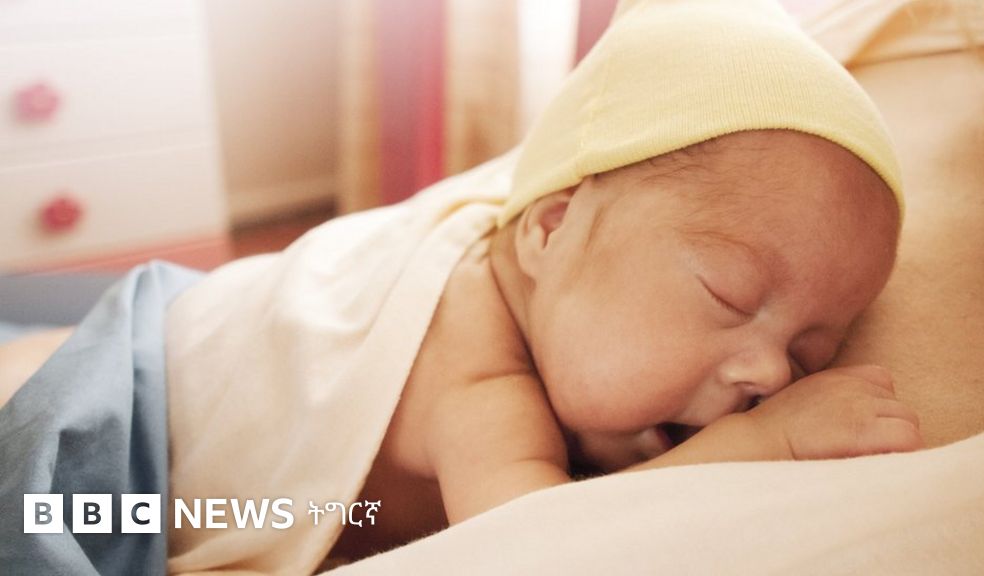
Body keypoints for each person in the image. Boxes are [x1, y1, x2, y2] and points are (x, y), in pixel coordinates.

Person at [1, 0, 924, 573]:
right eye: (727, 295)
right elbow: (542, 542)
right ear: (550, 229)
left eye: (812, 352)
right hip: (138, 432)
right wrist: (764, 444)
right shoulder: (479, 382)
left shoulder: (560, 270)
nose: (772, 373)